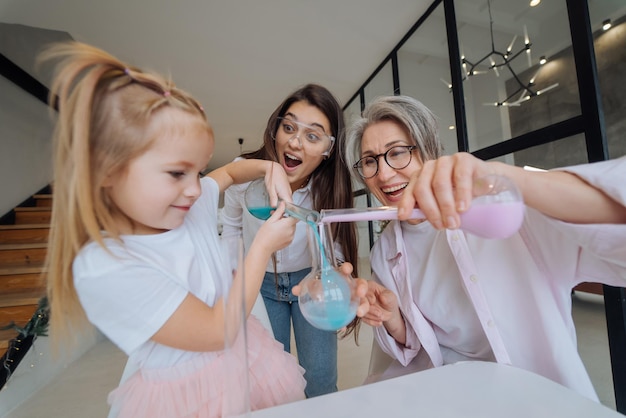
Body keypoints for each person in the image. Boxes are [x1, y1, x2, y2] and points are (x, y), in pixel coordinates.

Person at [42, 41, 306, 418]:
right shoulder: (107, 265)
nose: (196, 188)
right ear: (106, 171)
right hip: (185, 398)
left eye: (196, 171)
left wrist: (270, 168)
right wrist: (261, 248)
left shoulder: (187, 206)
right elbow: (218, 331)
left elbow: (230, 172)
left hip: (244, 361)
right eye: (176, 173)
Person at [343, 94, 626, 401]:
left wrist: (504, 178)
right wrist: (392, 319)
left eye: (397, 153)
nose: (383, 175)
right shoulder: (384, 251)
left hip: (538, 396)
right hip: (454, 394)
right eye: (370, 161)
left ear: (429, 151)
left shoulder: (506, 212)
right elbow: (418, 343)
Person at [221, 84, 359, 397]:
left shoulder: (328, 189)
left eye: (312, 135)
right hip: (260, 288)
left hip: (309, 285)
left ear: (328, 148)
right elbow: (230, 229)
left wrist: (335, 282)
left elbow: (334, 244)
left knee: (321, 381)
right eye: (289, 127)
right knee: (268, 386)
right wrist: (235, 280)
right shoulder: (243, 174)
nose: (295, 141)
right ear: (276, 129)